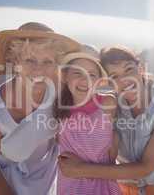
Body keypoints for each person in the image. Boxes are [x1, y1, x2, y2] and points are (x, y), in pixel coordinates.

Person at [59, 45, 154, 195]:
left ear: (140, 69)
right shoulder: (111, 105)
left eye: (128, 70)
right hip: (122, 191)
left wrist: (79, 169)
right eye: (114, 76)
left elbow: (146, 168)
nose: (124, 80)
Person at [0, 22, 80, 195]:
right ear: (14, 61)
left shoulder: (60, 91)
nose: (38, 69)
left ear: (56, 65)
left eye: (47, 61)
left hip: (51, 187)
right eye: (30, 60)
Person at [54, 45, 121, 195]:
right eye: (78, 73)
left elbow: (113, 137)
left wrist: (113, 142)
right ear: (65, 76)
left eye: (92, 75)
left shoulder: (107, 103)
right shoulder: (59, 107)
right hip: (70, 185)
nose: (85, 80)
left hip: (103, 183)